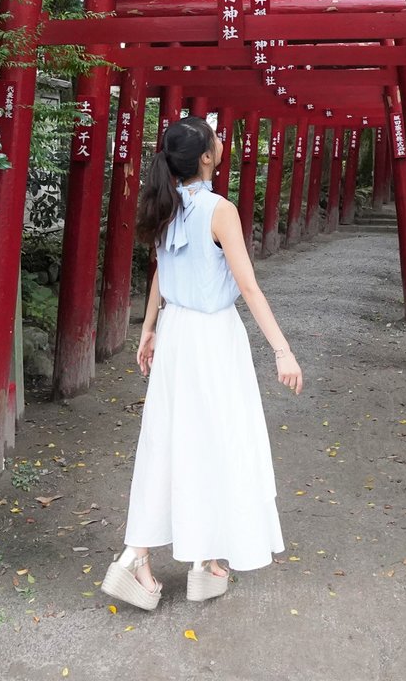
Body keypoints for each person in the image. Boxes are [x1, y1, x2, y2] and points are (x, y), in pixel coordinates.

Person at [102, 115, 303, 611]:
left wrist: (149, 328)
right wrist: (282, 350)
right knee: (220, 438)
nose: (220, 143)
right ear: (208, 157)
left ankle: (157, 556)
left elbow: (160, 272)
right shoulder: (219, 209)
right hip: (213, 338)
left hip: (175, 333)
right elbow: (249, 285)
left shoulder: (164, 203)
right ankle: (203, 557)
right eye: (215, 140)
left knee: (169, 439)